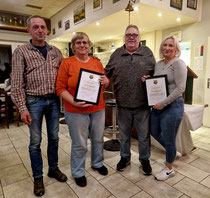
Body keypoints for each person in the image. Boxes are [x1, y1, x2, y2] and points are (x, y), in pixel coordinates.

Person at [11, 15, 67, 197]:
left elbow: (65, 75)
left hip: (53, 101)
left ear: (47, 30)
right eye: (36, 27)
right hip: (33, 101)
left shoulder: (56, 51)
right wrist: (22, 107)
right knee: (35, 143)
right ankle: (38, 177)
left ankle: (53, 168)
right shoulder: (21, 51)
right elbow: (17, 83)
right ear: (29, 30)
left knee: (55, 138)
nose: (40, 30)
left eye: (43, 27)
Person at [56, 32, 109, 187]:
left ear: (89, 45)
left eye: (85, 42)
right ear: (73, 46)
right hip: (75, 110)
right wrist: (74, 101)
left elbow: (104, 81)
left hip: (98, 108)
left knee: (98, 139)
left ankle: (97, 163)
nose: (82, 45)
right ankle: (78, 171)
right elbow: (59, 88)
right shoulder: (67, 63)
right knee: (80, 143)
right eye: (78, 42)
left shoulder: (96, 62)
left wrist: (106, 81)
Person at [105, 25, 156, 175]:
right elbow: (106, 73)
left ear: (139, 37)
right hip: (122, 104)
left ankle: (144, 160)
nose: (131, 37)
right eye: (128, 35)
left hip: (143, 105)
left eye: (134, 34)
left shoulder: (147, 53)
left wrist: (151, 79)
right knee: (124, 135)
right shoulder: (116, 54)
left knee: (143, 136)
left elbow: (157, 75)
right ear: (124, 37)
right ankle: (125, 158)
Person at [147, 35, 187, 181]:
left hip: (172, 106)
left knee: (170, 139)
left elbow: (180, 88)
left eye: (171, 45)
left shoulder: (178, 64)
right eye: (165, 45)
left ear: (176, 48)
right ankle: (173, 151)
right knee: (155, 132)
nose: (167, 48)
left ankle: (169, 169)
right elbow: (156, 82)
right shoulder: (158, 64)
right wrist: (147, 80)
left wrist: (163, 103)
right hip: (158, 106)